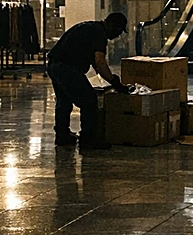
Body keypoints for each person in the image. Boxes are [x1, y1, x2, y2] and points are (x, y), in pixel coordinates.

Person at [46, 12, 130, 151]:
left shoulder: (91, 28)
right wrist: (114, 82)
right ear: (112, 25)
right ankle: (88, 140)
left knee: (64, 101)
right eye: (119, 31)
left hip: (54, 65)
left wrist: (110, 80)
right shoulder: (99, 34)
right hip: (67, 68)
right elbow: (100, 62)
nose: (118, 35)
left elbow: (96, 64)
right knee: (89, 100)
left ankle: (62, 135)